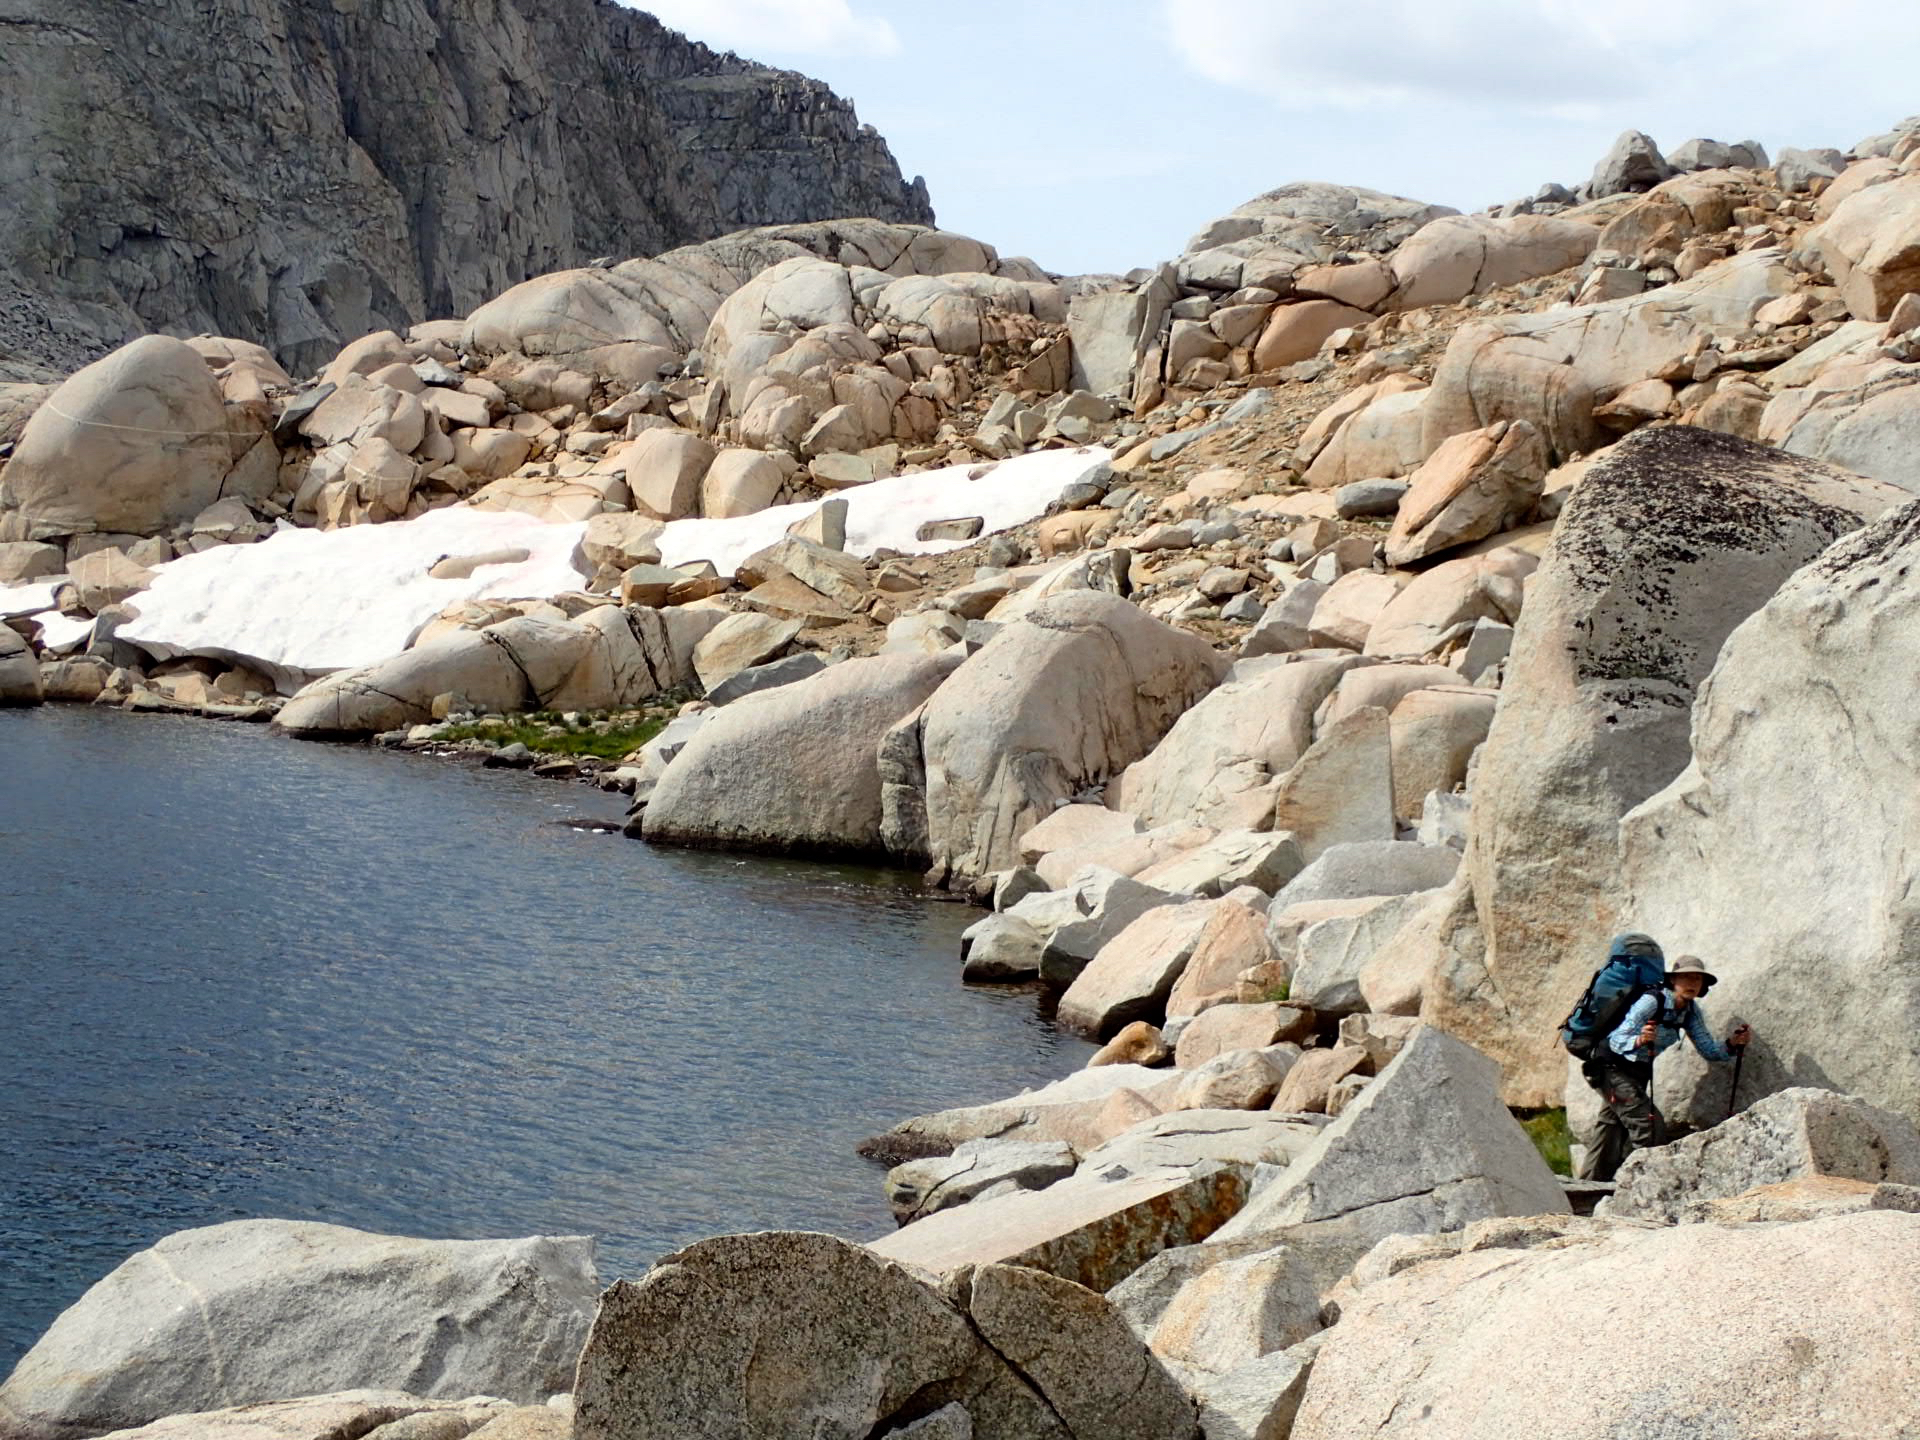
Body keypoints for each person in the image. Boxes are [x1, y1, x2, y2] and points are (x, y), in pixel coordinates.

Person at [1581, 954, 1752, 1182]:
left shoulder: (1690, 1012)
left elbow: (1709, 1050)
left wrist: (1732, 1044)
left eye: (1697, 979)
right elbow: (1618, 1038)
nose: (1692, 983)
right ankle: (1646, 1183)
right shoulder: (1651, 1001)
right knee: (1649, 1125)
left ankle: (1589, 1187)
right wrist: (1639, 1040)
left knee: (1611, 1128)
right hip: (1609, 1068)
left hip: (1636, 1074)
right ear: (1672, 980)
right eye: (1686, 977)